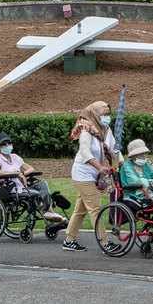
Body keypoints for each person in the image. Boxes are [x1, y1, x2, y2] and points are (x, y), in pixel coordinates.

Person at [63, 100, 123, 253]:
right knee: (95, 208)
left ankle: (69, 240)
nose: (107, 117)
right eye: (104, 115)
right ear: (95, 114)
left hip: (93, 173)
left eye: (108, 114)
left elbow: (115, 150)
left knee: (81, 210)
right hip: (83, 174)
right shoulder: (86, 130)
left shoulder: (105, 130)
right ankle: (105, 243)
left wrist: (123, 164)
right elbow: (85, 153)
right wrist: (100, 167)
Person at [0, 131, 67, 224]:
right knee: (35, 194)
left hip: (22, 186)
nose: (7, 145)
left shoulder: (15, 157)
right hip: (10, 188)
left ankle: (48, 211)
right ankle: (50, 214)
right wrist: (16, 173)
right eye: (3, 144)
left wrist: (22, 173)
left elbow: (31, 168)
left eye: (9, 143)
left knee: (43, 184)